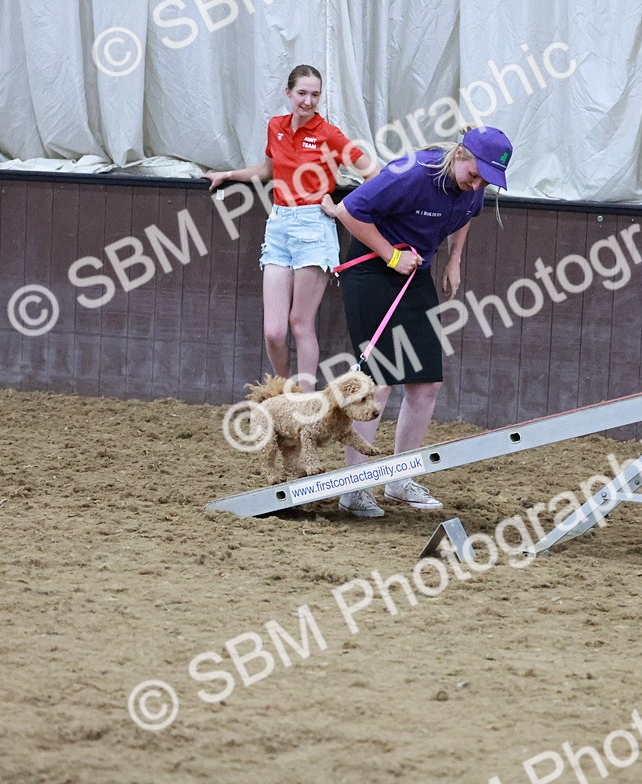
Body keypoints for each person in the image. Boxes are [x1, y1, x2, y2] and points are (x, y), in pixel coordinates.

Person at [331, 127, 513, 517]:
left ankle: (399, 479)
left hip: (414, 273)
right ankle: (353, 487)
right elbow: (348, 211)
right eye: (474, 174)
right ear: (460, 154)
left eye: (485, 180)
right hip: (371, 269)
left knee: (427, 384)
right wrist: (391, 256)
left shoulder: (473, 185)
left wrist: (454, 259)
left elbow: (467, 212)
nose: (477, 184)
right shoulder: (412, 173)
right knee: (378, 383)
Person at [205, 65, 378, 391]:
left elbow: (373, 173)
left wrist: (342, 208)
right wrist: (227, 176)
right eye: (302, 93)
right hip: (280, 224)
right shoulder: (276, 127)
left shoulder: (328, 134)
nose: (308, 100)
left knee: (300, 323)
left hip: (314, 226)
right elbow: (268, 170)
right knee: (273, 330)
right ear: (288, 93)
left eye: (315, 94)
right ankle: (284, 393)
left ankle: (306, 401)